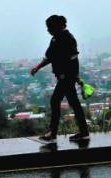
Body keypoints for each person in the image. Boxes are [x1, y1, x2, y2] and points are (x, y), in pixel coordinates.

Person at [30, 15, 89, 143]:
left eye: (50, 27)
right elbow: (50, 57)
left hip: (66, 77)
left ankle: (53, 133)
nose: (48, 30)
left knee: (55, 101)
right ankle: (83, 133)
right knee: (73, 103)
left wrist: (71, 76)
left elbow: (73, 58)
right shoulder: (56, 39)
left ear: (58, 26)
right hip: (65, 77)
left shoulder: (67, 39)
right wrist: (37, 67)